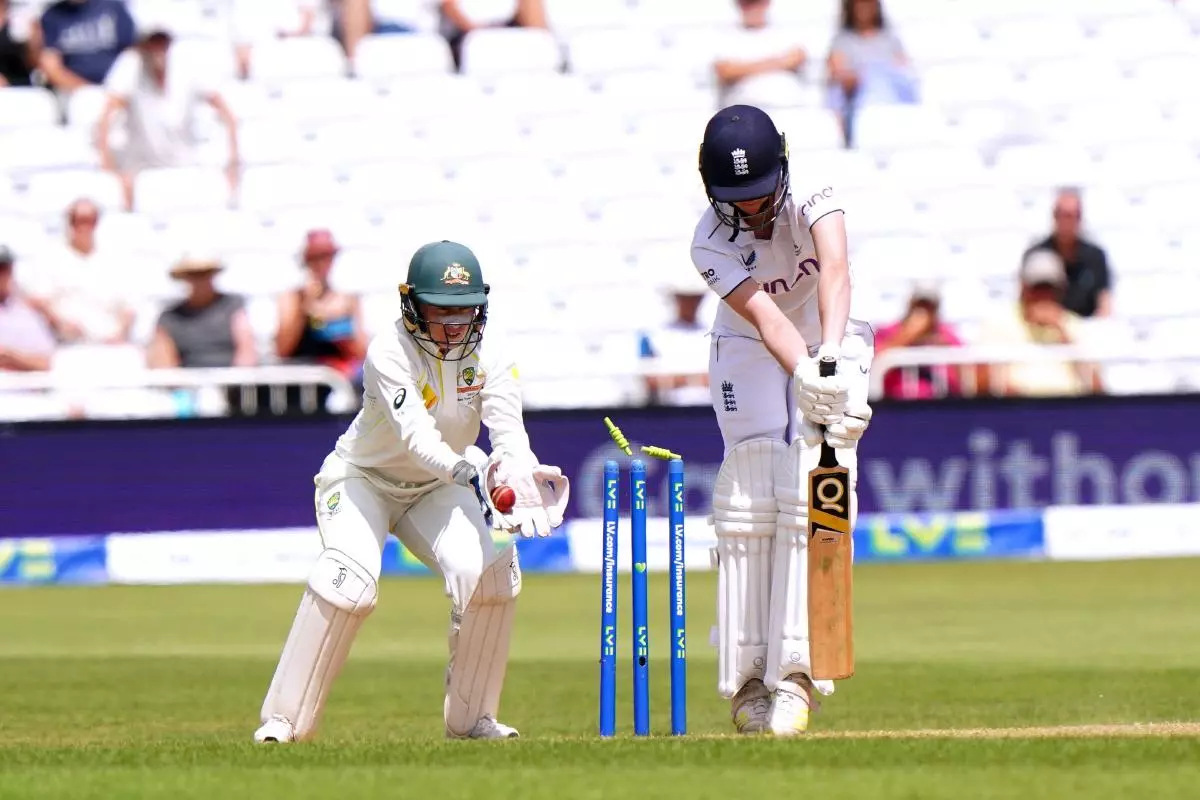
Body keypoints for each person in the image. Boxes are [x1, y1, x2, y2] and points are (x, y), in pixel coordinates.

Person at [254, 240, 570, 743]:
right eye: (439, 310)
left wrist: (518, 473)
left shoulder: (494, 351)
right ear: (412, 304)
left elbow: (508, 432)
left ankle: (472, 720)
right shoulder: (388, 350)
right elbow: (418, 440)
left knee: (490, 573)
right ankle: (284, 721)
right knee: (348, 582)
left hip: (435, 490)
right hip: (363, 479)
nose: (452, 324)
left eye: (464, 311)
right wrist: (473, 475)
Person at [691, 104, 874, 736]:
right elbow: (766, 320)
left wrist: (827, 361)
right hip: (749, 339)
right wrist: (804, 371)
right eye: (735, 199)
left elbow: (838, 273)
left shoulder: (816, 190)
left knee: (817, 476)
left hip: (830, 324)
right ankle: (748, 681)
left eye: (760, 193)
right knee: (751, 486)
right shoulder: (708, 242)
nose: (751, 210)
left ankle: (798, 674)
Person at [1024, 187, 1112, 318]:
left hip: (1085, 329)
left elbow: (1104, 302)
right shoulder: (1037, 254)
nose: (1067, 222)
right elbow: (1025, 301)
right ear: (1054, 217)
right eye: (1062, 215)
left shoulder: (1095, 256)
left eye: (1072, 216)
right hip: (1045, 328)